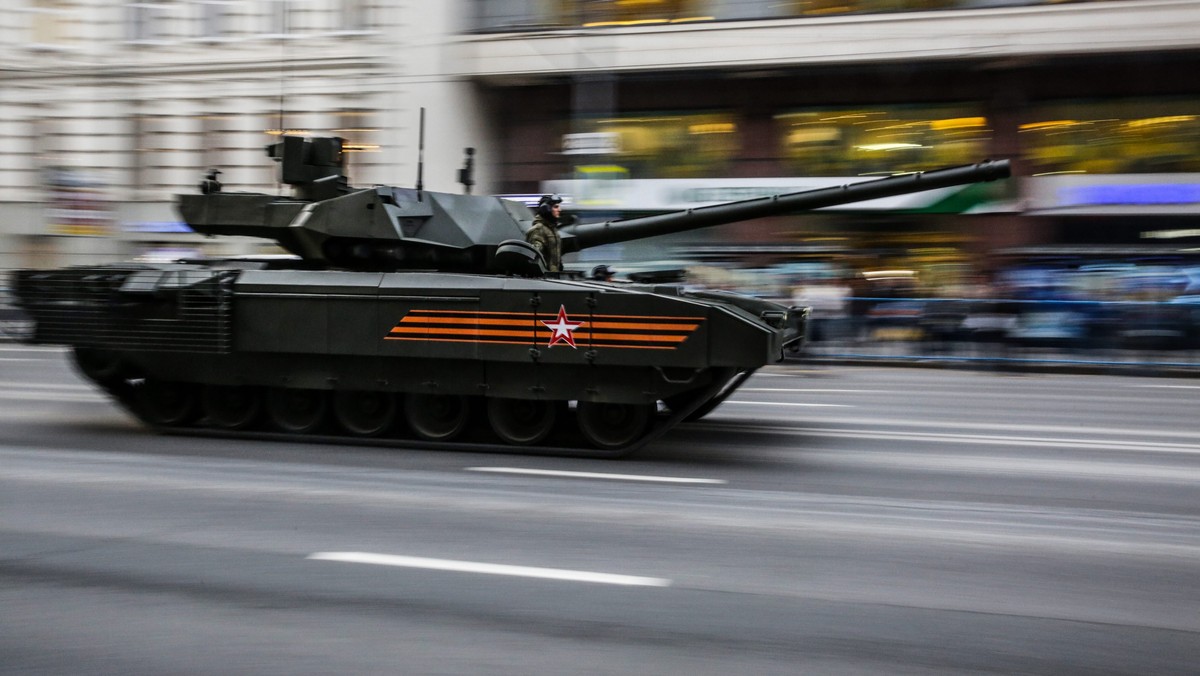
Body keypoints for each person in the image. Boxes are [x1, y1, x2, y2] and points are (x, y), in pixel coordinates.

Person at [525, 194, 564, 272]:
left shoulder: (552, 229)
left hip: (554, 277)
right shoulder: (538, 230)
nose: (559, 210)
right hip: (544, 278)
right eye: (556, 207)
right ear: (546, 209)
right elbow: (533, 257)